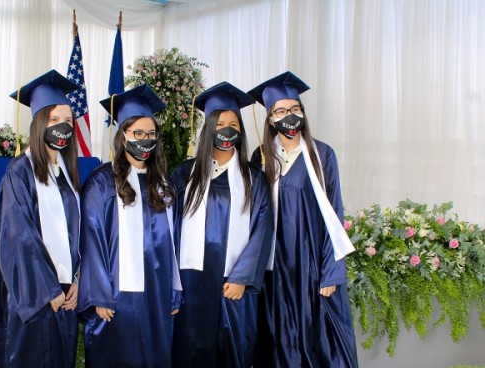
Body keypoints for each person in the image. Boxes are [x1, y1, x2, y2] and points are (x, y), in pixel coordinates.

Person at [247, 71, 358, 368]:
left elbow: (334, 212)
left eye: (295, 109)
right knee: (275, 336)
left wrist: (331, 272)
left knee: (315, 338)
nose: (289, 116)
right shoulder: (261, 157)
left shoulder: (322, 154)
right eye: (280, 111)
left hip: (310, 265)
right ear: (271, 119)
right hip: (273, 267)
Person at [78, 84, 182, 368]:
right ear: (123, 135)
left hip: (157, 290)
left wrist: (174, 289)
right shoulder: (102, 182)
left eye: (151, 134)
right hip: (116, 295)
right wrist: (98, 294)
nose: (145, 140)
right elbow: (92, 238)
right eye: (138, 133)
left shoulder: (163, 184)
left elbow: (173, 243)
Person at [171, 82, 274, 368]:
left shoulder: (253, 179)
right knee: (190, 352)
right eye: (220, 123)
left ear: (240, 131)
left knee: (233, 352)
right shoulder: (184, 174)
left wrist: (243, 278)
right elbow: (167, 230)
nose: (227, 130)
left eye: (233, 124)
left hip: (233, 284)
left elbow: (262, 230)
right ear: (208, 130)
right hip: (191, 284)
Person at [0, 70, 81, 367]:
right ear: (39, 123)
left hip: (65, 296)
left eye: (68, 121)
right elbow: (18, 235)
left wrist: (78, 280)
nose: (63, 127)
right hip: (37, 298)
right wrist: (47, 289)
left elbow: (77, 233)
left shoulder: (67, 174)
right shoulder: (20, 171)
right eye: (55, 119)